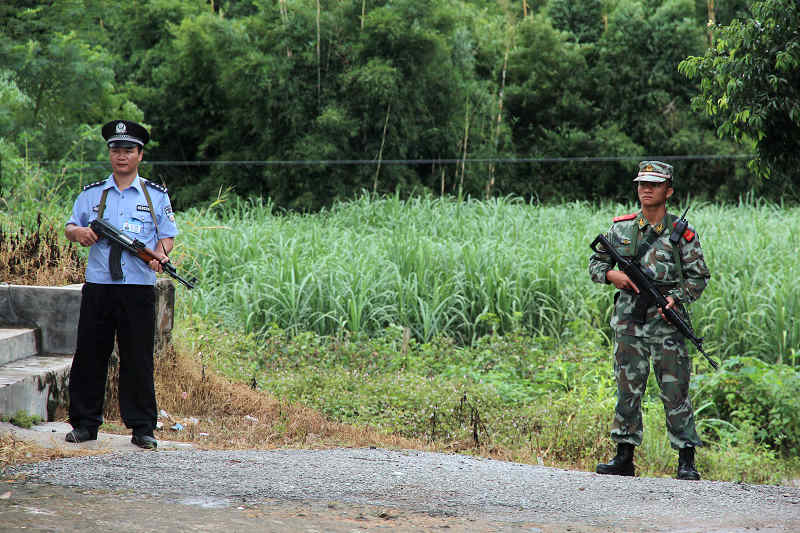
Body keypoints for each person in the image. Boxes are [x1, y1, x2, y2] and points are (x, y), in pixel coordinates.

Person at [588, 161, 710, 480]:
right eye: (642, 183)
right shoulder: (621, 229)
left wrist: (676, 298)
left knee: (675, 389)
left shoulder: (681, 233)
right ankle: (623, 456)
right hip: (629, 321)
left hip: (666, 320)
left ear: (668, 191)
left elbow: (698, 277)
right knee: (627, 387)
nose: (646, 189)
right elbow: (596, 264)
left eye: (654, 184)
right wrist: (612, 275)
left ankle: (686, 459)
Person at [64, 120, 179, 449]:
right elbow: (71, 226)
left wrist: (159, 256)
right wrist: (81, 233)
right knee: (90, 354)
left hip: (138, 287)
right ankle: (85, 424)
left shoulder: (154, 195)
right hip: (99, 285)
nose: (121, 155)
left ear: (140, 155)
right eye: (116, 149)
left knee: (137, 357)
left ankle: (142, 428)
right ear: (110, 154)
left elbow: (167, 236)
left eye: (129, 150)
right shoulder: (92, 194)